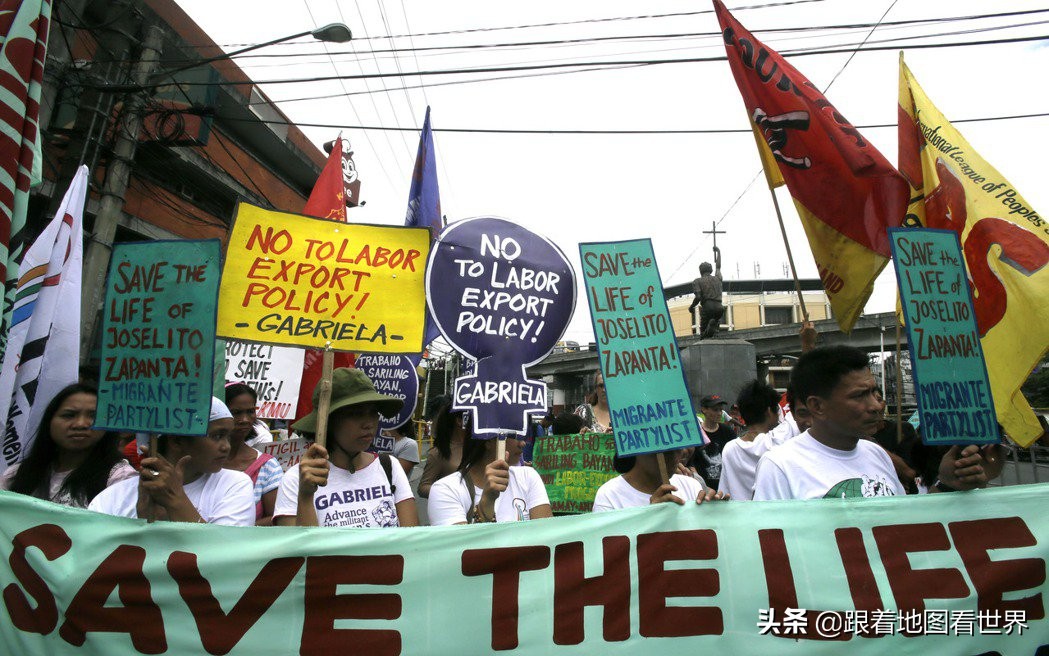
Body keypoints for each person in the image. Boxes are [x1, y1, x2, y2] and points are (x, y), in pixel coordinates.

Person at [753, 346, 989, 500]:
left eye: (874, 392)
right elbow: (771, 550)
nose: (876, 405)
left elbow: (906, 528)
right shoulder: (780, 466)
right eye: (859, 395)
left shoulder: (877, 454)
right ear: (817, 406)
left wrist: (948, 483)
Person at [273, 368, 417, 527]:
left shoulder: (389, 466)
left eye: (373, 412)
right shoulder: (297, 480)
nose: (368, 423)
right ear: (328, 421)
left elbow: (410, 542)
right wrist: (306, 496)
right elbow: (299, 550)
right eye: (355, 413)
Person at [89, 397, 255, 526]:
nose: (226, 446)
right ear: (176, 441)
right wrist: (140, 525)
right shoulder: (114, 497)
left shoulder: (234, 485)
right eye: (217, 436)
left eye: (228, 436)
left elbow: (228, 556)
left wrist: (176, 502)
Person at [2, 383, 135, 508]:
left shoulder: (120, 478)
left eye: (93, 416)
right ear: (49, 421)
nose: (80, 424)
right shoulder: (17, 474)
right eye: (69, 415)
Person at [428, 435, 552, 525]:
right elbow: (463, 555)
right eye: (514, 435)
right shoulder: (446, 490)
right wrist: (487, 501)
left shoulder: (528, 477)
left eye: (523, 435)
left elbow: (546, 540)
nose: (522, 443)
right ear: (488, 440)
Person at [718, 380, 790, 501]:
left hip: (740, 517)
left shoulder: (729, 449)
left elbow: (724, 493)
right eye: (777, 410)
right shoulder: (779, 441)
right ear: (769, 412)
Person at [224, 383, 284, 525]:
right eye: (236, 413)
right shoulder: (201, 464)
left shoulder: (268, 467)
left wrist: (234, 530)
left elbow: (276, 518)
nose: (245, 419)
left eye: (250, 411)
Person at [594, 449, 726, 511]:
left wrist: (715, 516)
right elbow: (611, 557)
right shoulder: (609, 496)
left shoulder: (691, 485)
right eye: (669, 449)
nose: (682, 452)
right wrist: (652, 518)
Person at [418, 397, 469, 498]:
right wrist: (450, 493)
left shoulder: (479, 446)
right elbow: (423, 488)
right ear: (459, 421)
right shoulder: (438, 453)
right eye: (470, 416)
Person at [689, 394, 736, 491]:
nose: (719, 413)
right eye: (715, 410)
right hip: (703, 492)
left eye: (721, 410)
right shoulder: (696, 434)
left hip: (726, 490)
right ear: (704, 410)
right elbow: (690, 464)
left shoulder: (728, 432)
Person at [689, 246, 724, 339]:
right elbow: (718, 267)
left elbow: (698, 297)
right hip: (719, 307)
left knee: (703, 334)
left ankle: (707, 331)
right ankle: (713, 328)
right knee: (714, 329)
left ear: (700, 271)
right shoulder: (718, 278)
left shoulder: (697, 281)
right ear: (711, 270)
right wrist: (718, 252)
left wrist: (691, 307)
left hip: (708, 307)